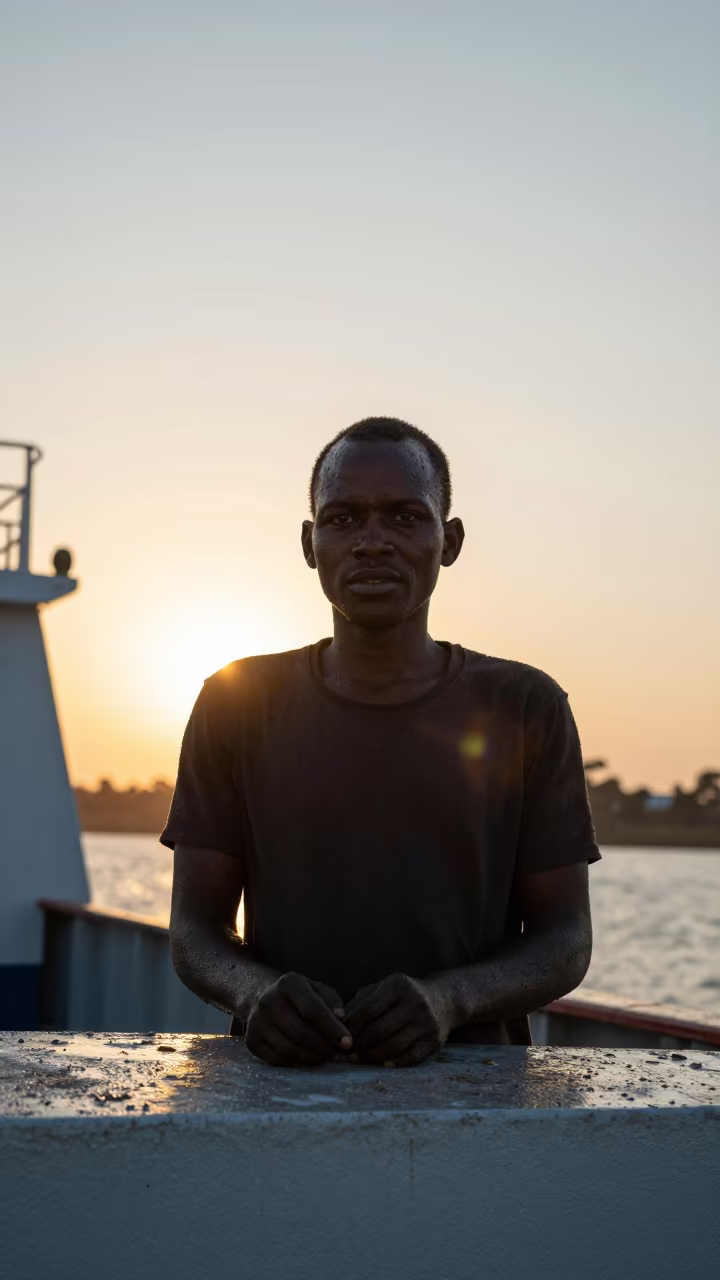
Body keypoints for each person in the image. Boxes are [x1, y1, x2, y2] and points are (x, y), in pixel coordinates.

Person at [162, 417, 599, 1068]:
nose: (372, 542)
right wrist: (254, 993)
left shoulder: (525, 706)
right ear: (310, 544)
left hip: (474, 1099)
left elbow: (566, 939)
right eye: (342, 519)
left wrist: (450, 1001)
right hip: (278, 1095)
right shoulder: (236, 701)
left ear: (448, 541)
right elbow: (195, 930)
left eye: (403, 517)